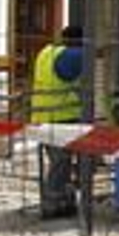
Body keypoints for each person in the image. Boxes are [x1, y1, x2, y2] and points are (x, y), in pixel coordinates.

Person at [31, 25, 85, 219]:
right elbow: (82, 59)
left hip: (42, 116)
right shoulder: (70, 57)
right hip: (59, 118)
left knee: (62, 163)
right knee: (61, 163)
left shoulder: (46, 52)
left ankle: (64, 200)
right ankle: (52, 203)